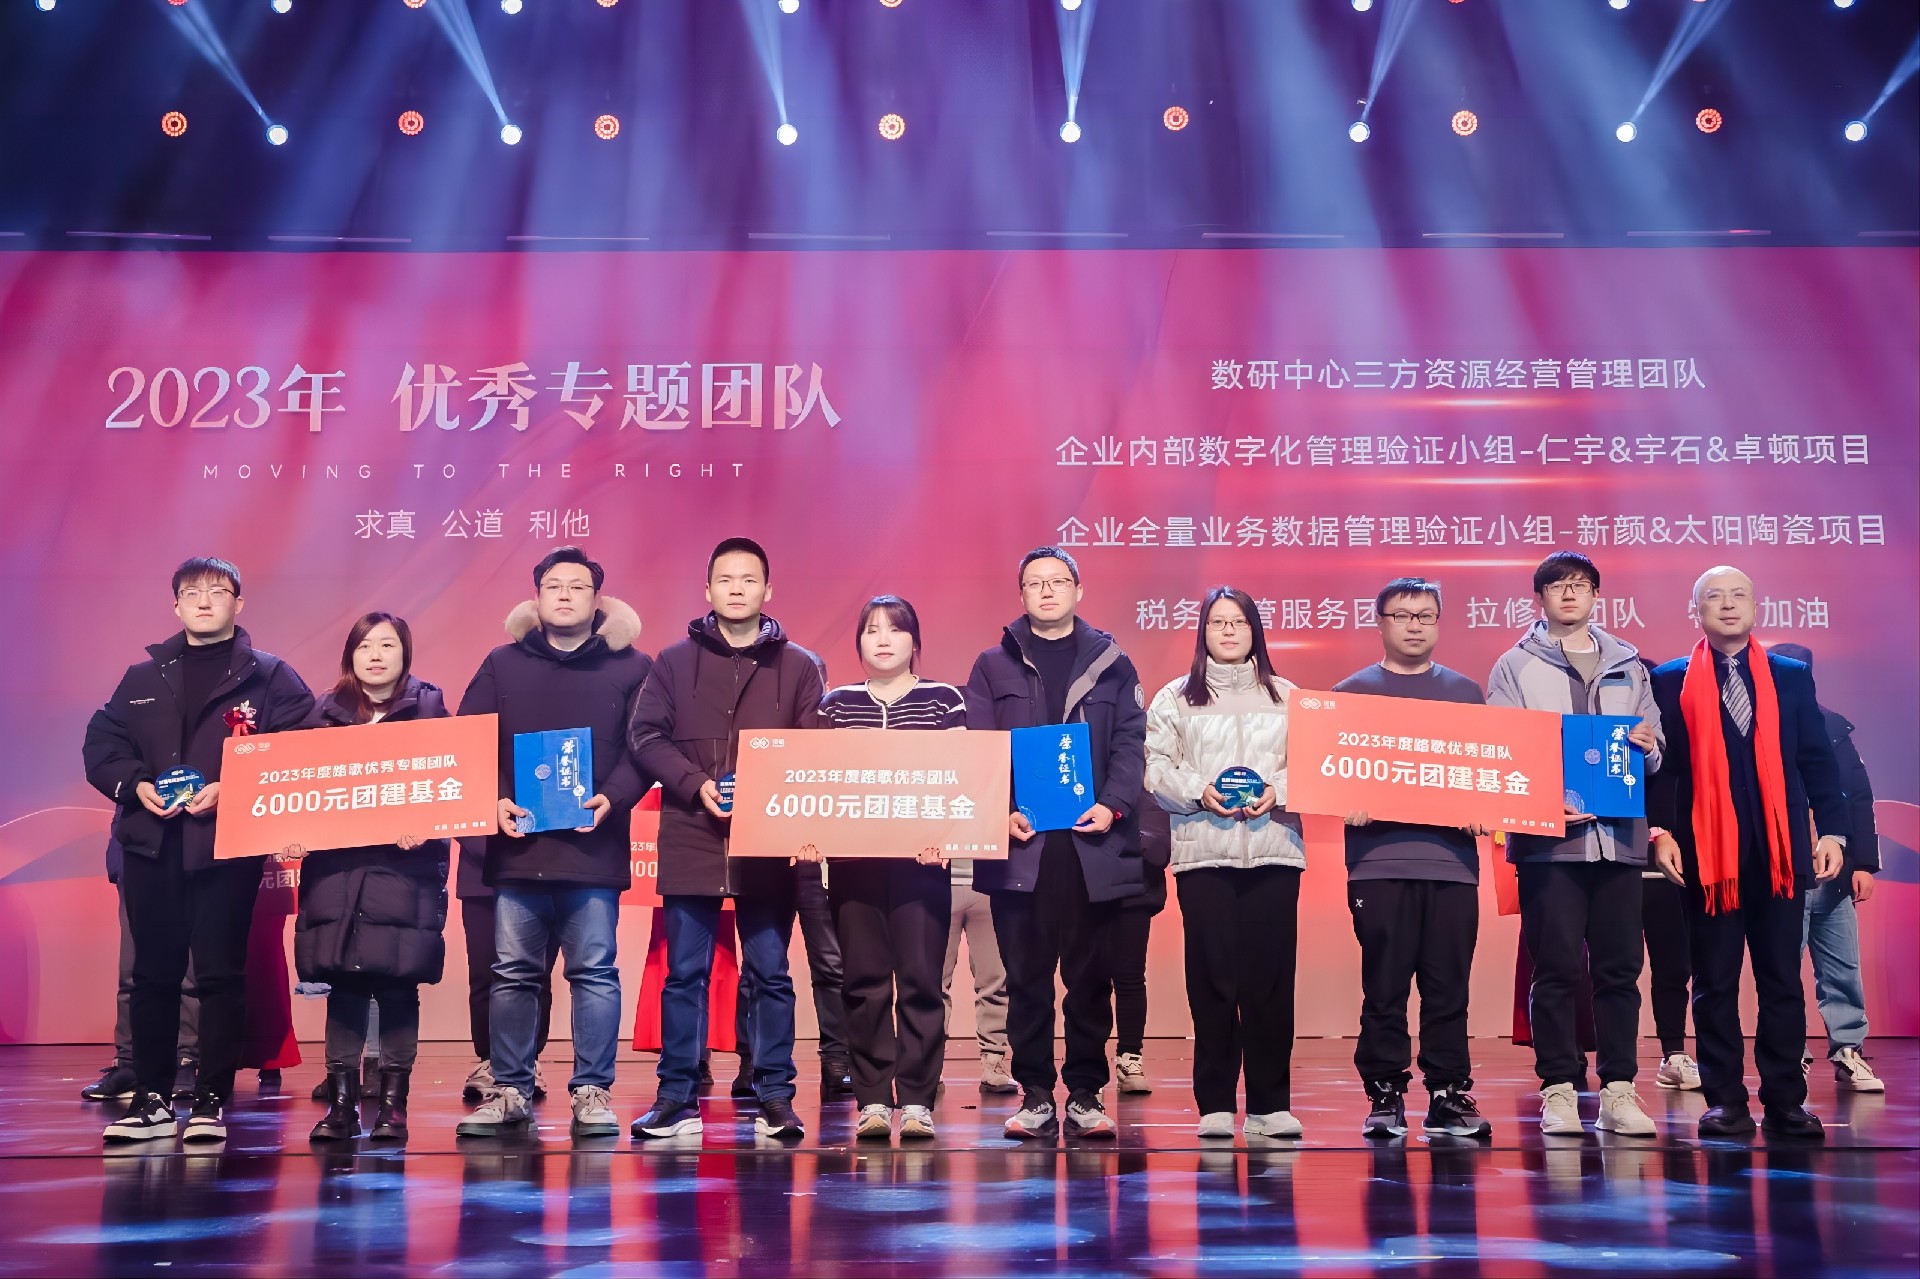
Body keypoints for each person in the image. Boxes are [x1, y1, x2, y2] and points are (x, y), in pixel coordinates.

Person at [83, 556, 317, 1142]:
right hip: (151, 845)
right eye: (192, 593)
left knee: (219, 975)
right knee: (152, 976)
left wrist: (234, 787)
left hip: (225, 846)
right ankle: (152, 1101)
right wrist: (135, 783)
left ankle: (212, 1100)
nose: (205, 601)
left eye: (218, 591)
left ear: (239, 604)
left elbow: (300, 745)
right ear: (176, 606)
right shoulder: (142, 677)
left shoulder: (271, 676)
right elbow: (102, 743)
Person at [628, 537, 826, 1143]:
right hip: (693, 831)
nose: (737, 589)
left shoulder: (799, 665)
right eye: (726, 579)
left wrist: (780, 810)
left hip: (767, 840)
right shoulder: (672, 661)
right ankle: (676, 1098)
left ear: (767, 590)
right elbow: (645, 735)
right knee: (684, 974)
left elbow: (813, 750)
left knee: (770, 973)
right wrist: (695, 785)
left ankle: (775, 1096)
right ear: (708, 589)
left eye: (748, 579)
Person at [453, 547, 653, 1139]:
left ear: (597, 599)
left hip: (594, 850)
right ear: (536, 597)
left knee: (594, 971)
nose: (565, 595)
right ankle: (511, 1089)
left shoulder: (632, 667)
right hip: (519, 849)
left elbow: (645, 746)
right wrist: (494, 798)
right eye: (553, 586)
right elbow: (470, 739)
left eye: (577, 586)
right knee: (513, 973)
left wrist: (613, 797)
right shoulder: (502, 663)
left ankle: (592, 1091)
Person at [1648, 569, 1849, 1139]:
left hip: (1779, 852)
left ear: (1756, 606)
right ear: (1696, 612)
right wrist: (1660, 832)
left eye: (1739, 595)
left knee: (1781, 978)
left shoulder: (1790, 675)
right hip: (1708, 855)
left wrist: (1833, 832)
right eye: (1714, 597)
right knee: (1713, 980)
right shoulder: (1669, 680)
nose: (1728, 605)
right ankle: (1725, 1102)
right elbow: (1664, 769)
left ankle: (1785, 1101)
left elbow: (1816, 759)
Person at [963, 546, 1147, 1142]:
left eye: (1058, 581)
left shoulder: (1113, 662)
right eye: (1035, 583)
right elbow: (979, 748)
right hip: (1024, 847)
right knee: (1026, 979)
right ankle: (1037, 1095)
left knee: (1091, 980)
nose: (1047, 591)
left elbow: (1131, 743)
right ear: (1021, 594)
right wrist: (1001, 810)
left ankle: (1086, 1094)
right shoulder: (992, 665)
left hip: (1094, 846)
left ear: (1078, 590)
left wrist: (1112, 804)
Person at [1486, 551, 1662, 1139]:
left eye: (1580, 585)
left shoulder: (1628, 663)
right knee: (1556, 967)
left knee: (1619, 969)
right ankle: (1558, 1087)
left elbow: (1656, 745)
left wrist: (1647, 744)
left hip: (1618, 840)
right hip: (1550, 844)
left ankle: (1619, 1089)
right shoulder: (1515, 664)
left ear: (1595, 596)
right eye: (1558, 585)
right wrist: (1540, 798)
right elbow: (1504, 746)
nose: (1569, 594)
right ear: (1539, 598)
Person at [1144, 585, 1306, 1140]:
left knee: (1270, 982)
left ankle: (1269, 1105)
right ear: (1203, 632)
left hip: (1275, 852)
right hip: (1203, 855)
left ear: (1255, 630)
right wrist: (1198, 791)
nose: (1229, 631)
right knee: (1212, 980)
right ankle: (1214, 1103)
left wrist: (1279, 790)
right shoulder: (1174, 698)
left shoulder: (1289, 697)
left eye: (1239, 621)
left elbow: (1311, 763)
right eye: (1218, 622)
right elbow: (1156, 768)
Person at [1332, 577, 1493, 1139]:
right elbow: (1330, 773)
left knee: (1449, 987)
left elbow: (1487, 771)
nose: (1414, 625)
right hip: (1379, 863)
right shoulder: (1349, 694)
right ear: (1380, 623)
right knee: (1385, 987)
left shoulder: (1467, 693)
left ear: (1438, 623)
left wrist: (1484, 807)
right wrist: (1344, 800)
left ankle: (1448, 1094)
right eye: (1401, 615)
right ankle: (1385, 1094)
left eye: (1425, 615)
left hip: (1452, 863)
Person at [809, 595, 967, 1142]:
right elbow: (817, 781)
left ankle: (918, 1099)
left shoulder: (944, 701)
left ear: (914, 641)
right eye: (871, 629)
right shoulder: (835, 706)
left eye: (895, 629)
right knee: (864, 983)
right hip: (854, 866)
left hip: (923, 866)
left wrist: (947, 840)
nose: (882, 639)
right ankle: (873, 1098)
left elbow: (961, 778)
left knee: (922, 981)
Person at [292, 613, 452, 1143]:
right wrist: (292, 832)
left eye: (387, 645)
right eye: (365, 646)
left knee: (398, 983)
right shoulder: (321, 715)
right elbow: (295, 787)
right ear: (350, 656)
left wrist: (426, 826)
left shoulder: (430, 710)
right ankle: (342, 1106)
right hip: (336, 872)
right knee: (343, 982)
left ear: (405, 654)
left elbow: (451, 784)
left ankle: (392, 1106)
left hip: (403, 872)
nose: (376, 655)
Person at [1770, 642, 1886, 1095]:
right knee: (1782, 968)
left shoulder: (1833, 727)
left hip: (1834, 875)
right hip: (1785, 871)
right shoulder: (1758, 726)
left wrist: (1864, 863)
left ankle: (1848, 1049)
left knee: (1842, 968)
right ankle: (1790, 1052)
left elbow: (1858, 797)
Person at [1108, 802, 1169, 1096]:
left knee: (1130, 976)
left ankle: (1130, 1057)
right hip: (1085, 880)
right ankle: (1088, 1068)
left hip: (1136, 882)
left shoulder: (1147, 780)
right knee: (1088, 979)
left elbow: (1159, 842)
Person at [942, 859, 1016, 1094]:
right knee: (932, 981)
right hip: (936, 881)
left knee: (995, 978)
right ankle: (929, 1063)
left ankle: (994, 1060)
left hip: (989, 880)